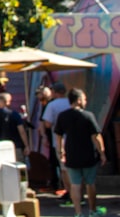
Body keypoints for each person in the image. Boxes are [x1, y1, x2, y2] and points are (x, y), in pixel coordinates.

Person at [55, 88, 107, 217]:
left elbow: (59, 136)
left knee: (75, 185)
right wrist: (102, 153)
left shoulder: (63, 116)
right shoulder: (88, 115)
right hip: (88, 154)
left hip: (71, 155)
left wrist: (61, 151)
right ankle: (92, 210)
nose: (85, 101)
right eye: (84, 99)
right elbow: (96, 136)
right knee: (90, 183)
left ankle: (78, 213)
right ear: (78, 100)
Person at [0, 91, 30, 161]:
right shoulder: (14, 114)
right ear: (8, 102)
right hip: (16, 146)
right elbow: (21, 131)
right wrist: (26, 145)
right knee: (18, 168)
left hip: (1, 147)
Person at [43, 81, 70, 193]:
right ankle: (78, 192)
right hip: (74, 139)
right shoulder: (70, 102)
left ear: (54, 92)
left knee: (64, 169)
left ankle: (69, 192)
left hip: (58, 140)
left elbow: (48, 124)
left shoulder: (52, 105)